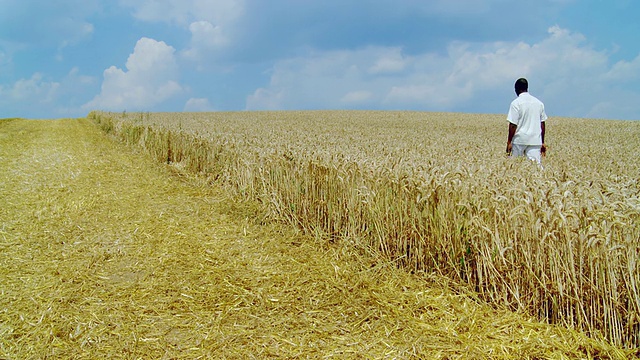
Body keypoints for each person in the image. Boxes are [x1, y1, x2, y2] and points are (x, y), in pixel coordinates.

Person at [506, 78, 547, 164]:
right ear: (527, 88)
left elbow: (513, 125)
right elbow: (542, 124)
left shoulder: (516, 103)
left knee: (515, 167)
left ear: (516, 89)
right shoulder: (539, 103)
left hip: (519, 140)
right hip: (535, 140)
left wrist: (509, 141)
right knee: (535, 167)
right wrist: (542, 142)